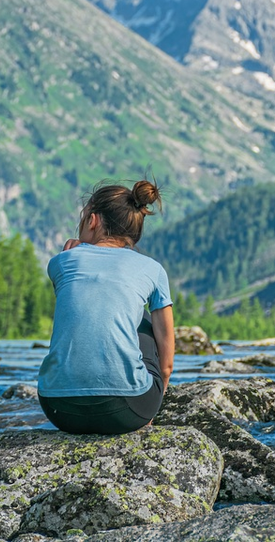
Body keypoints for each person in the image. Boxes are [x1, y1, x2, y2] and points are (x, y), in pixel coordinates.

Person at [37, 180, 174, 434]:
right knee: (142, 318)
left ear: (93, 221)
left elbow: (81, 307)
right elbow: (166, 366)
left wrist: (71, 251)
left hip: (58, 408)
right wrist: (151, 407)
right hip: (128, 410)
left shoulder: (60, 262)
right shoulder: (153, 270)